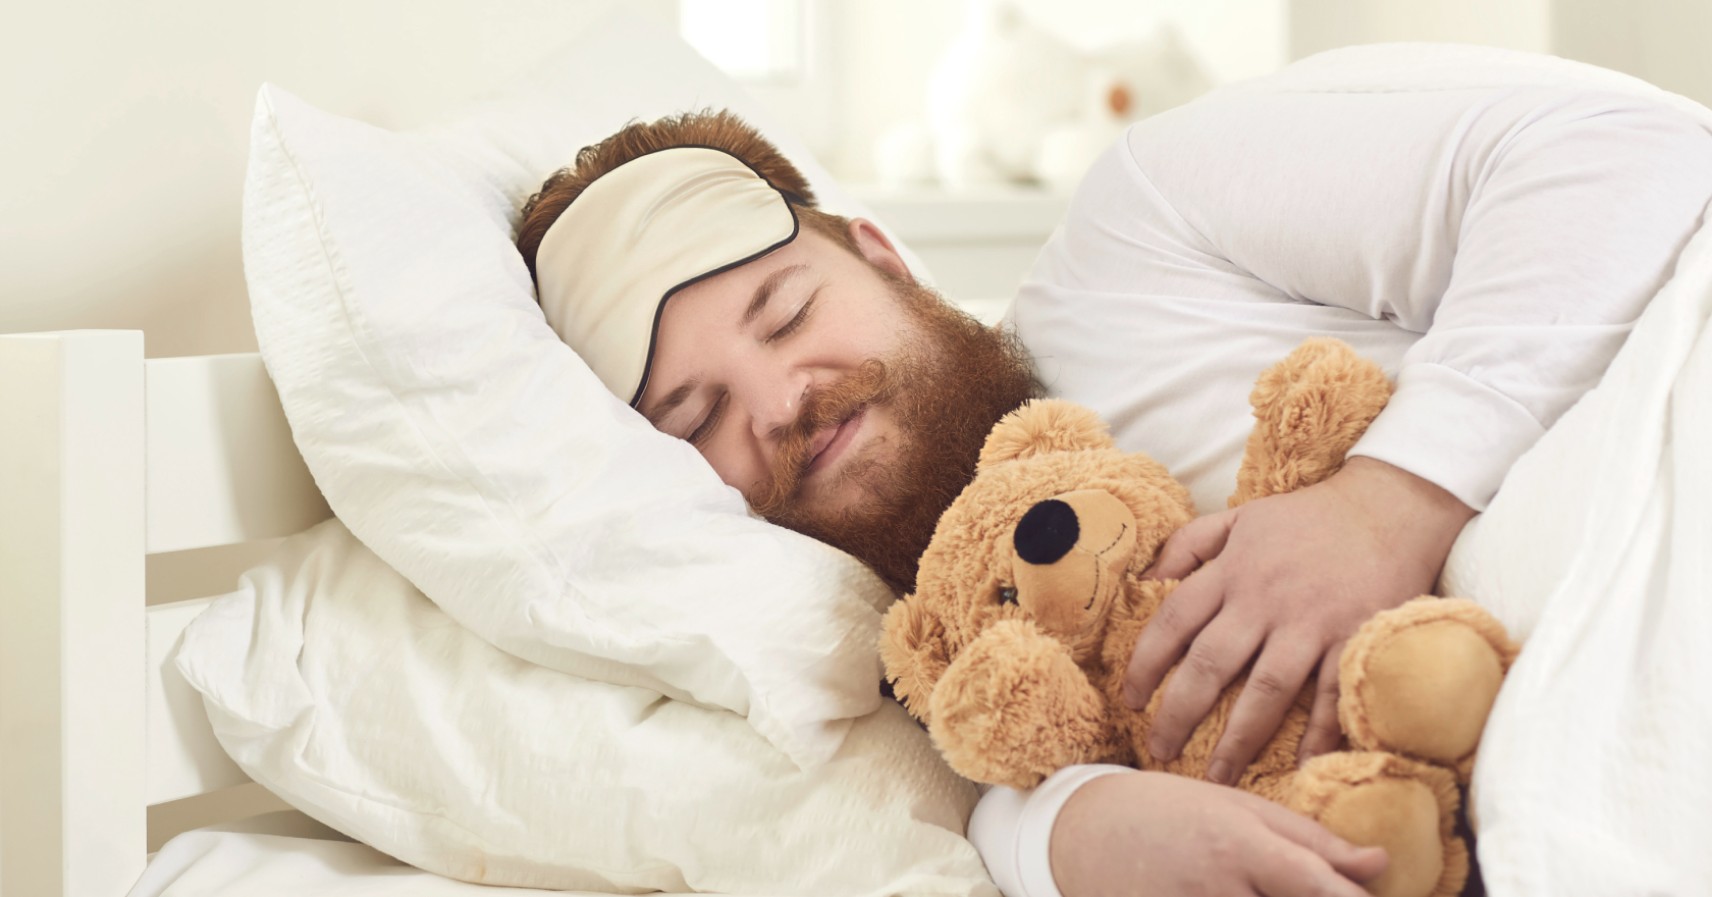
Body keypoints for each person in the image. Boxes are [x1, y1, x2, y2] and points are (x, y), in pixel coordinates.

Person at [514, 70, 1712, 897]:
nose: (778, 405)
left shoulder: (1146, 222)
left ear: (878, 255)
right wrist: (1064, 837)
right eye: (697, 417)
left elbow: (1638, 152)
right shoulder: (872, 643)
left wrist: (1386, 499)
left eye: (784, 314)